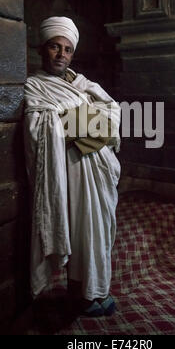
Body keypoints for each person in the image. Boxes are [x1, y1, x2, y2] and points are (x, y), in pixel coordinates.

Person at [24, 16, 121, 317]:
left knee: (100, 231)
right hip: (73, 172)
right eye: (55, 47)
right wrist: (89, 121)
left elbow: (114, 114)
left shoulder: (82, 84)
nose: (61, 54)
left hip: (99, 169)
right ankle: (83, 297)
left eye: (67, 49)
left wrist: (81, 121)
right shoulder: (34, 86)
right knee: (82, 234)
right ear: (43, 49)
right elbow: (41, 125)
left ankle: (96, 290)